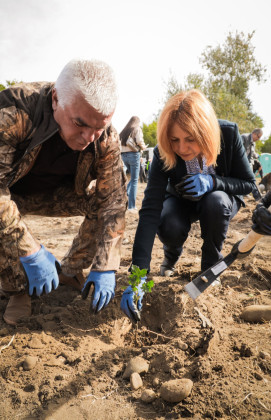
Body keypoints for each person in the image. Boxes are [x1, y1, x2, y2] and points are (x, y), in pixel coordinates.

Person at [0, 59, 127, 325]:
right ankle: (17, 289)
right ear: (56, 99)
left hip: (58, 195)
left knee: (99, 202)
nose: (88, 137)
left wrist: (106, 266)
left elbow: (114, 201)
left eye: (98, 128)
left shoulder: (105, 137)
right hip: (9, 195)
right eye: (79, 123)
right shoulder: (14, 110)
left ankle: (70, 270)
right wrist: (30, 250)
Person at [121, 89, 256, 322]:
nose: (182, 148)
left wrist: (214, 181)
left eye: (190, 139)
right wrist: (137, 274)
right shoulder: (164, 151)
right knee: (168, 222)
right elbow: (150, 209)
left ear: (205, 132)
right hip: (180, 200)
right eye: (175, 140)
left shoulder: (228, 133)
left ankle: (210, 268)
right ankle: (171, 256)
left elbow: (248, 183)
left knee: (216, 202)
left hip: (218, 201)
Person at [120, 116, 147, 214]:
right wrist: (143, 147)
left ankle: (125, 195)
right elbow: (139, 141)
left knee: (132, 179)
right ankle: (131, 206)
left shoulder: (124, 130)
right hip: (133, 154)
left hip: (124, 155)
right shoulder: (136, 128)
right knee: (135, 180)